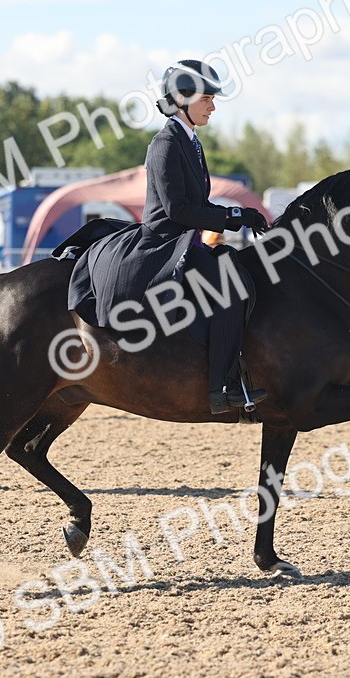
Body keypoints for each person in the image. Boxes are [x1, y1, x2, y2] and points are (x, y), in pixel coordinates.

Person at [66, 60, 270, 414]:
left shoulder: (190, 141)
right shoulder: (165, 144)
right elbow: (177, 209)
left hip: (185, 241)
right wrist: (234, 216)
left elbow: (198, 204)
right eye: (206, 98)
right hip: (162, 243)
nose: (213, 105)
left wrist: (233, 217)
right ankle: (221, 387)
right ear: (182, 100)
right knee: (230, 290)